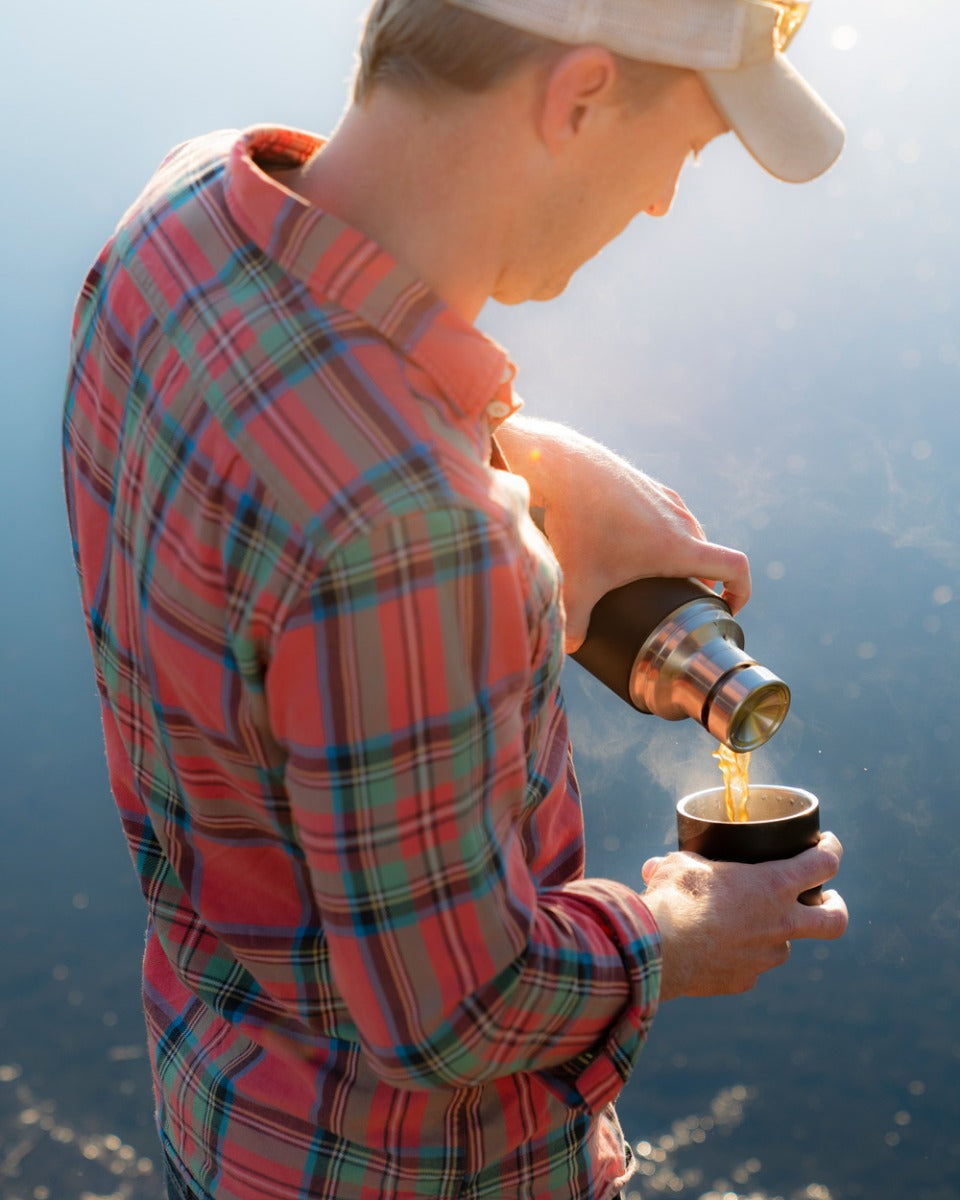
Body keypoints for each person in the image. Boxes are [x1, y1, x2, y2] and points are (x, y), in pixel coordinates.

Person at [61, 1, 849, 1197]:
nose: (659, 205)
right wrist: (679, 935)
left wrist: (508, 448)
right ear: (579, 98)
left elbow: (304, 403)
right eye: (685, 149)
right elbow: (456, 1011)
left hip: (219, 1108)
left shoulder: (182, 218)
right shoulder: (418, 536)